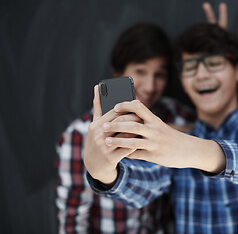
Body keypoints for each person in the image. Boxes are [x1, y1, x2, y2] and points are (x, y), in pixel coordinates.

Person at [83, 23, 238, 233]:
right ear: (182, 81)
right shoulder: (173, 137)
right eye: (190, 66)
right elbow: (144, 184)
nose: (201, 75)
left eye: (213, 62)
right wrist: (104, 172)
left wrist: (191, 151)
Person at [55, 23, 196, 234]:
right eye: (140, 71)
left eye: (159, 74)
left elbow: (211, 128)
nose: (150, 86)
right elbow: (73, 220)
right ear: (117, 72)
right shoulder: (79, 135)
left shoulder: (173, 115)